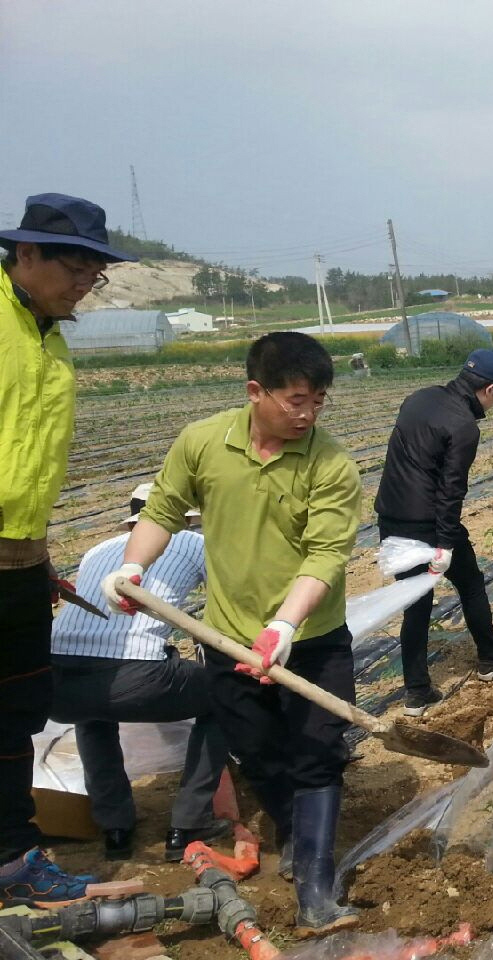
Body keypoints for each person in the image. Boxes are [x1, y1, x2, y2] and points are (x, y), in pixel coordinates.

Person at [100, 332, 363, 935]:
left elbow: (325, 556)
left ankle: (318, 894)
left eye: (319, 400)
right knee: (259, 751)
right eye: (296, 399)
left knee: (319, 754)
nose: (308, 413)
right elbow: (164, 509)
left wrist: (283, 626)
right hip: (226, 639)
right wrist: (134, 566)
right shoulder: (202, 443)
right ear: (256, 391)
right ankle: (294, 833)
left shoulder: (332, 464)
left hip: (311, 638)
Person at [0, 193, 137, 904]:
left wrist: (36, 554)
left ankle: (14, 863)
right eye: (77, 266)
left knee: (17, 716)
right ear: (25, 254)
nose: (87, 281)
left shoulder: (48, 336)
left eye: (96, 271)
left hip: (19, 561)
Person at [49, 484, 229, 863]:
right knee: (226, 695)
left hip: (55, 679)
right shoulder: (190, 543)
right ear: (183, 517)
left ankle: (115, 826)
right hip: (135, 677)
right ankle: (189, 823)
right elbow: (228, 602)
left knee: (93, 717)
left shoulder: (96, 550)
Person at [375, 349, 493, 716]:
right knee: (471, 584)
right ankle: (491, 658)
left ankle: (417, 692)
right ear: (489, 389)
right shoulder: (464, 426)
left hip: (391, 516)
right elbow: (450, 490)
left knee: (415, 603)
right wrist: (444, 544)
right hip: (429, 523)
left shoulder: (420, 397)